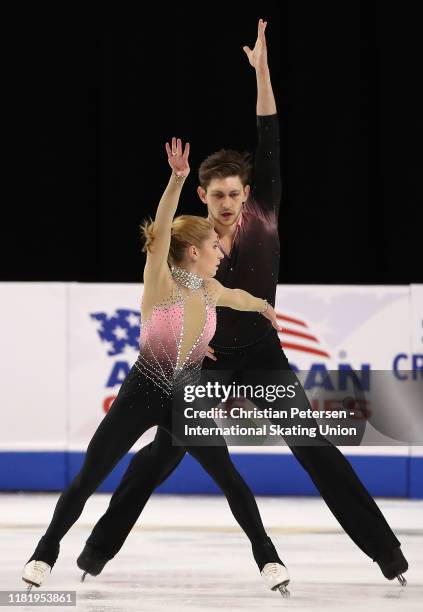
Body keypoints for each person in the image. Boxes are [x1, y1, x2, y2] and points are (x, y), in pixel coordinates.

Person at [76, 19, 408, 587]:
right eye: (218, 196)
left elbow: (269, 134)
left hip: (261, 355)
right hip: (204, 363)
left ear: (248, 194)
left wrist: (262, 72)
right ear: (203, 196)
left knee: (313, 445)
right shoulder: (189, 244)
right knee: (161, 455)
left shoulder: (265, 214)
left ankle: (390, 558)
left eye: (236, 193)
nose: (228, 204)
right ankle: (92, 557)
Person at [22, 136, 291, 597]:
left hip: (184, 397)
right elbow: (162, 230)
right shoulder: (161, 282)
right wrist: (178, 179)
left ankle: (268, 558)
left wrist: (263, 305)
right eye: (213, 247)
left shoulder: (208, 290)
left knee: (230, 477)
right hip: (142, 392)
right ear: (191, 251)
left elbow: (237, 298)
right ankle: (44, 552)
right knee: (90, 475)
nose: (221, 252)